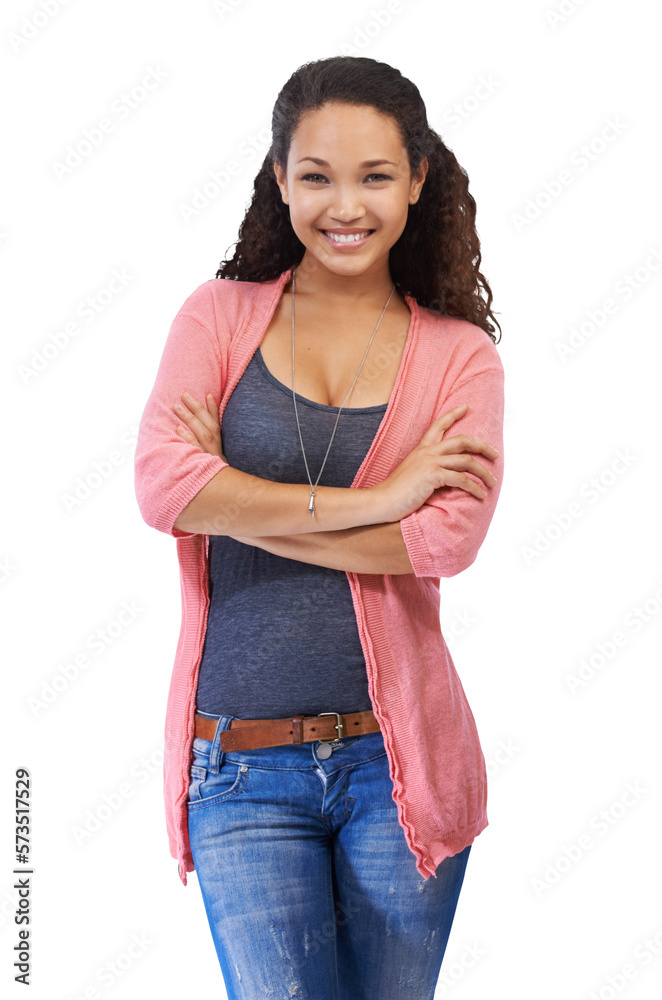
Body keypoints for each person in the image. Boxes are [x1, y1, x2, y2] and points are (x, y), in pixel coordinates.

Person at [134, 55, 504, 1000]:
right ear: (278, 178)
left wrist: (242, 505)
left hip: (398, 762)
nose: (347, 205)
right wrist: (381, 502)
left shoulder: (460, 358)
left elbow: (447, 542)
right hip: (239, 769)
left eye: (376, 176)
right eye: (317, 176)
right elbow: (164, 485)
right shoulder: (217, 319)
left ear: (418, 180)